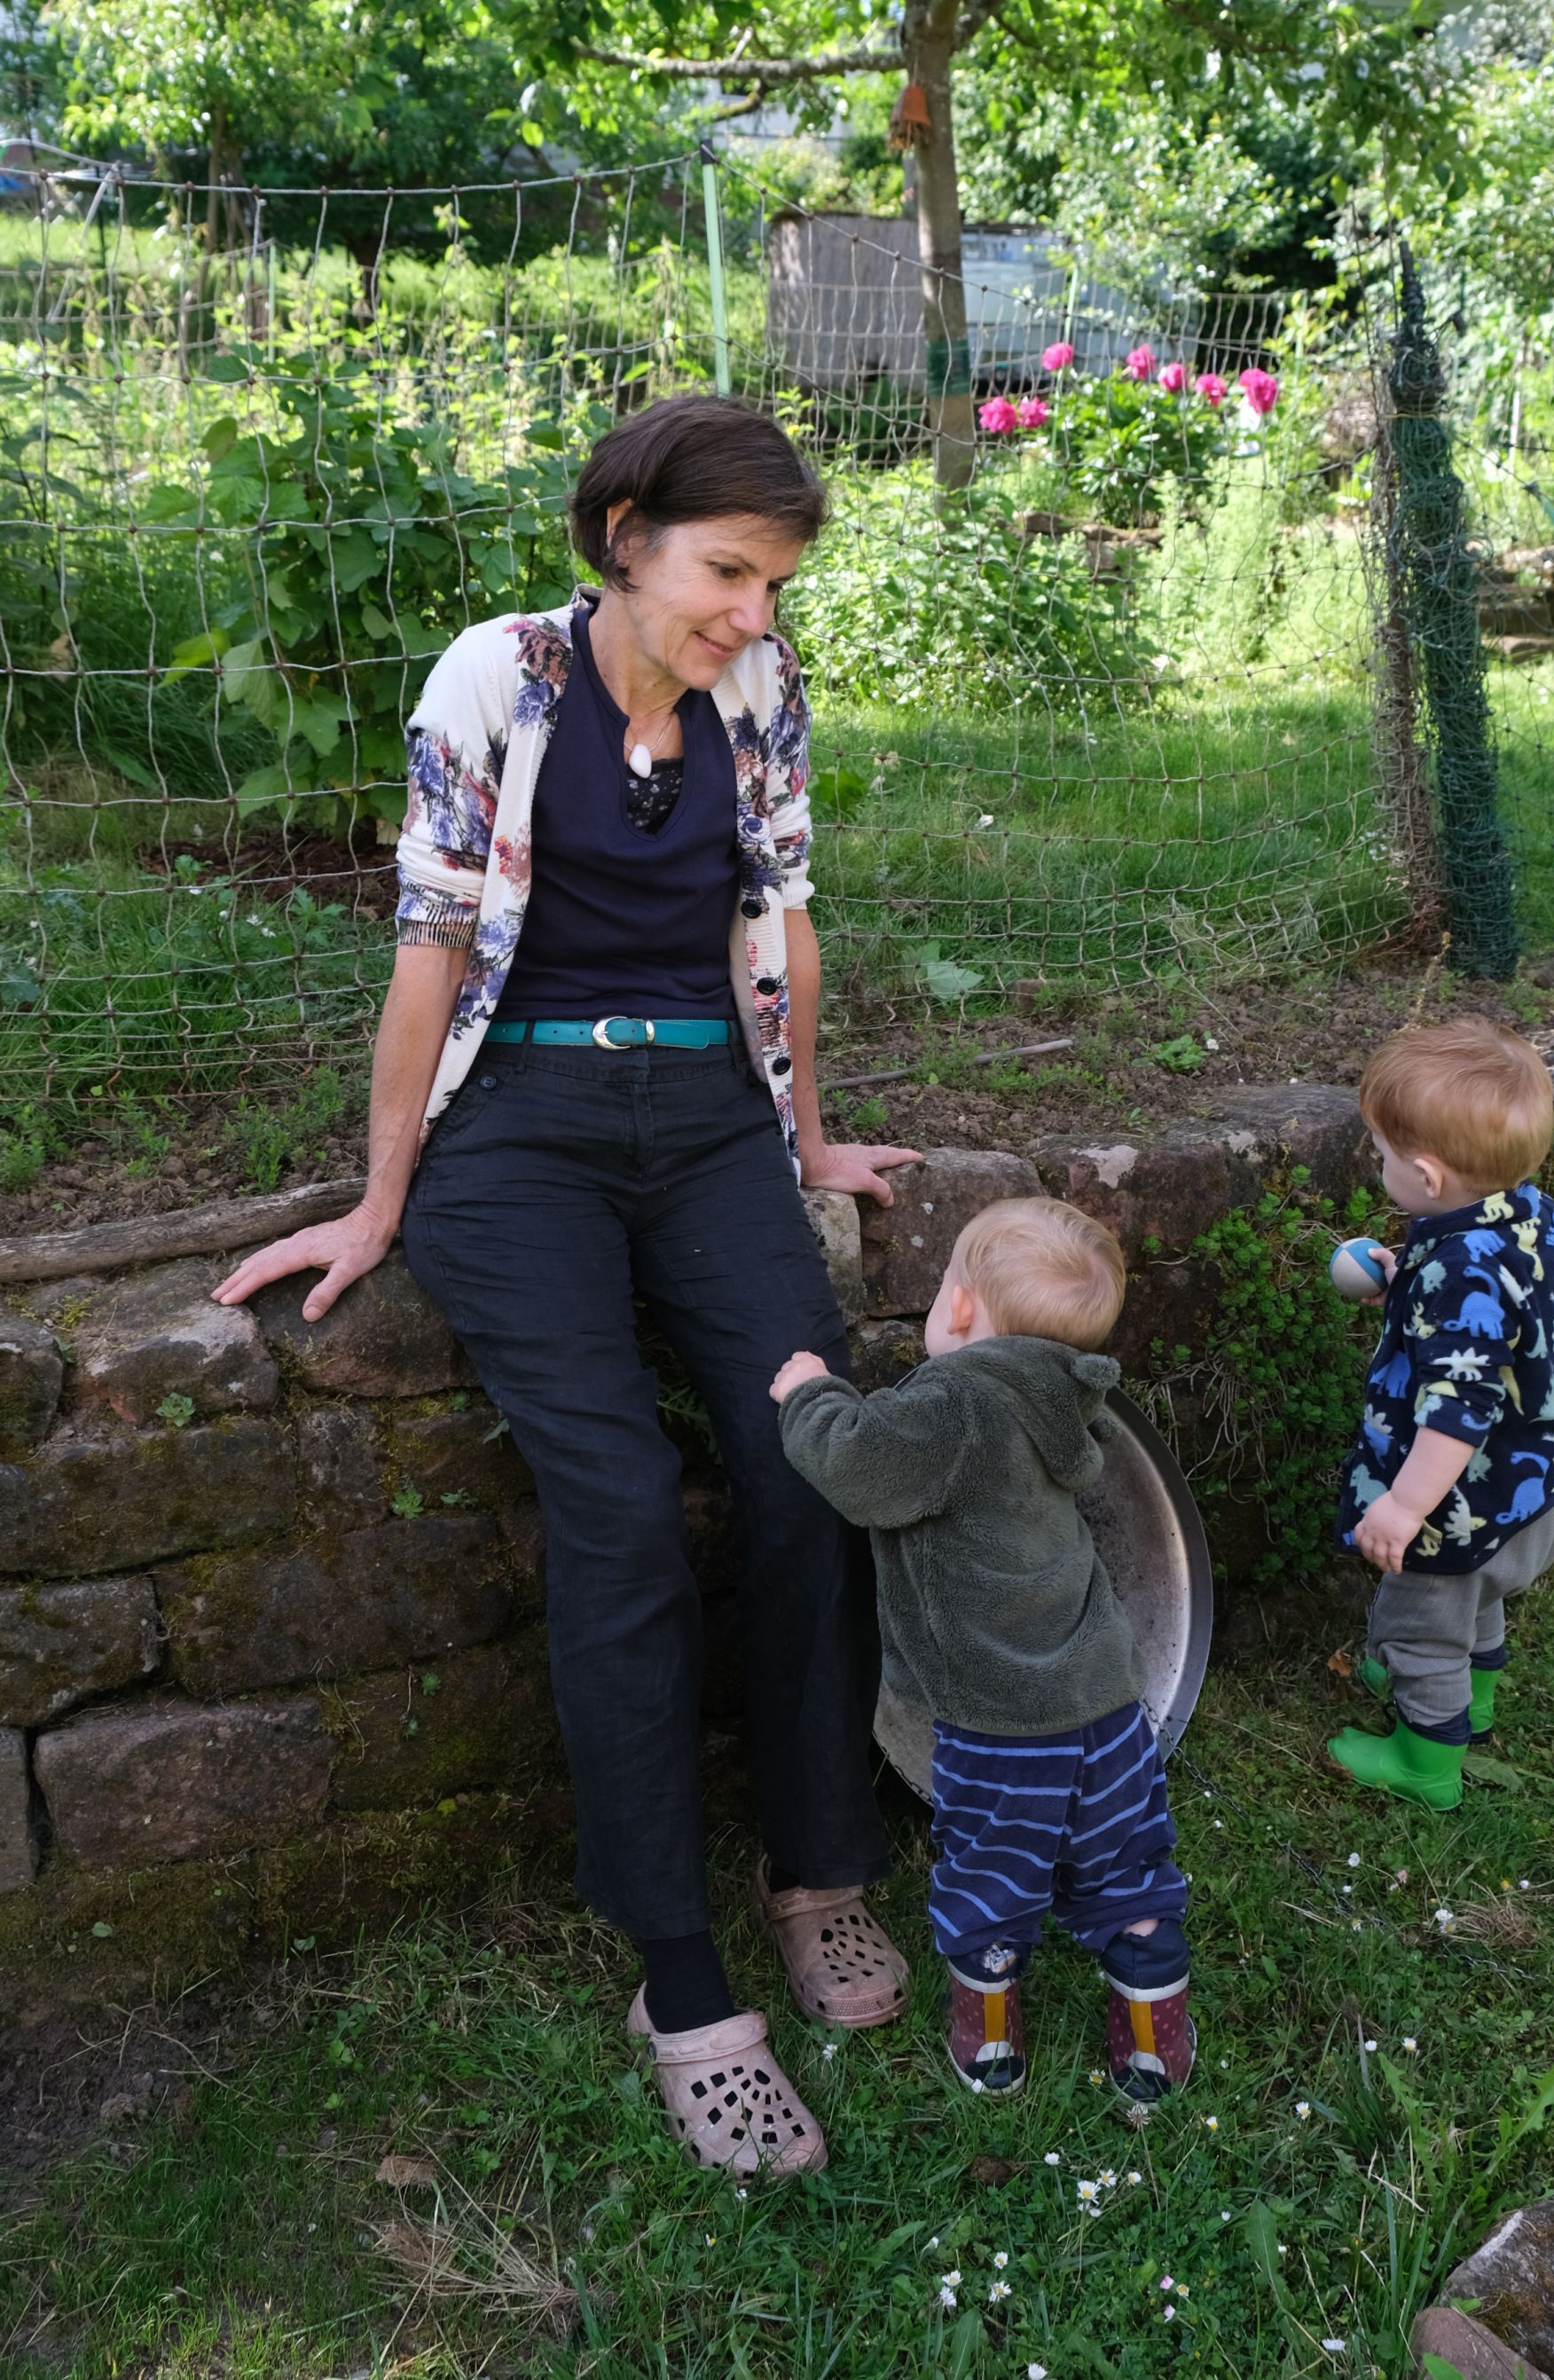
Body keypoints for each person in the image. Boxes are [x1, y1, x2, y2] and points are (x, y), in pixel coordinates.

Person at [214, 393, 922, 2179]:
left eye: (773, 582)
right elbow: (434, 942)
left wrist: (810, 1138)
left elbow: (782, 918)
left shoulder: (757, 694)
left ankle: (817, 1865)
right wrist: (382, 1198)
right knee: (609, 1498)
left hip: (701, 1115)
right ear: (623, 532)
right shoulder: (497, 680)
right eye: (726, 572)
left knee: (804, 1454)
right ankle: (678, 1974)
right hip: (517, 1125)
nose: (752, 613)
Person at [771, 1197, 1194, 2105]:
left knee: (992, 1879)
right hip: (1108, 1705)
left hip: (1002, 1724)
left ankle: (991, 2038)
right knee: (1129, 1869)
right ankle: (1154, 2043)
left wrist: (807, 1391)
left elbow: (859, 1468)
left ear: (958, 1308)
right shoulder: (1070, 1399)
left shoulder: (954, 1400)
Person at [1328, 1017, 1554, 1811]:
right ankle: (1477, 1700)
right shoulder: (1530, 1215)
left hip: (1455, 1503)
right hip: (1533, 1484)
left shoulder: (1456, 1275)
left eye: (1385, 1155)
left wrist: (1404, 1507)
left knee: (1423, 1622)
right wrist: (1407, 1278)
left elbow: (1458, 1411)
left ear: (1429, 1176)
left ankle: (1425, 1762)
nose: (1380, 1166)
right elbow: (1503, 1313)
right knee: (1480, 1596)